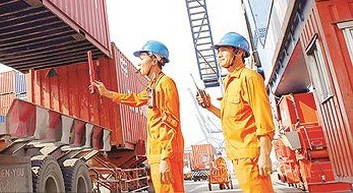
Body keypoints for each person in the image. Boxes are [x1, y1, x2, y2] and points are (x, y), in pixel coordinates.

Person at [91, 40, 184, 192]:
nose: (139, 63)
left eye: (142, 59)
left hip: (166, 154)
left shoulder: (165, 84)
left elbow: (171, 123)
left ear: (155, 60)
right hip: (157, 154)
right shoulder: (153, 86)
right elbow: (134, 99)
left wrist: (165, 158)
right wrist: (107, 93)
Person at [196, 32, 275, 192]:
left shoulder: (250, 78)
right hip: (238, 155)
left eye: (224, 50)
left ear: (239, 52)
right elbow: (231, 118)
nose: (219, 55)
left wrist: (264, 155)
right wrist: (209, 106)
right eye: (218, 51)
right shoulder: (230, 82)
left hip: (251, 156)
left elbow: (263, 119)